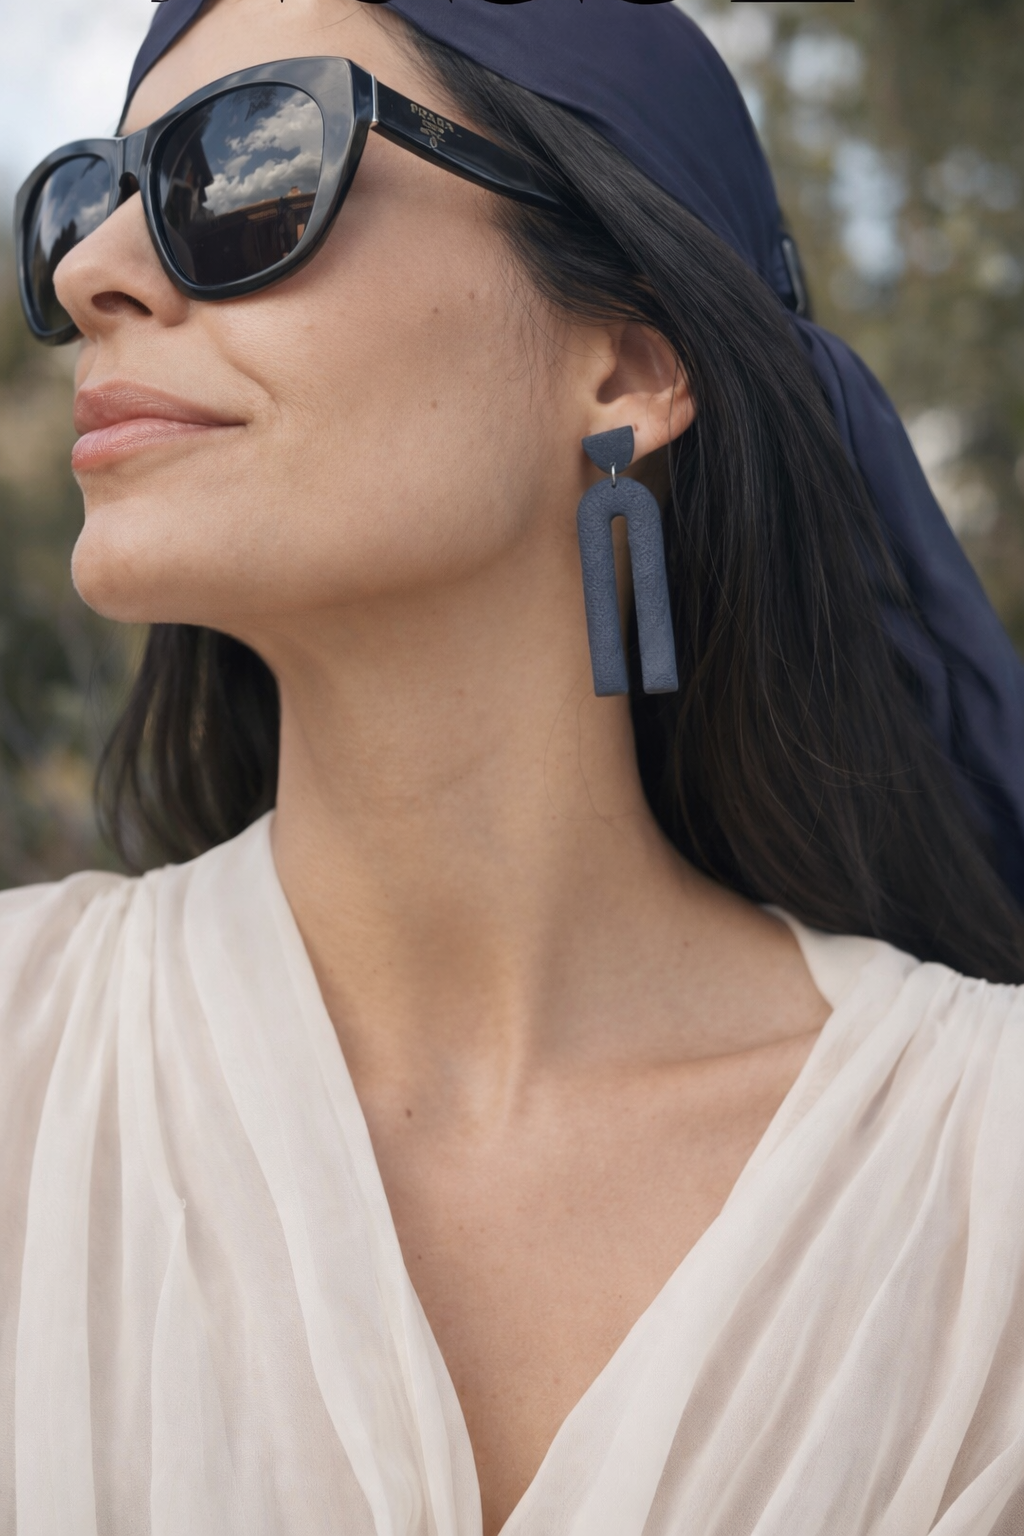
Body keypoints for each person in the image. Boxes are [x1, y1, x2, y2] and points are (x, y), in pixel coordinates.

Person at [5, 0, 1024, 1531]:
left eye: (246, 168)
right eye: (84, 195)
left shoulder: (988, 1180)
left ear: (625, 369)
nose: (94, 268)